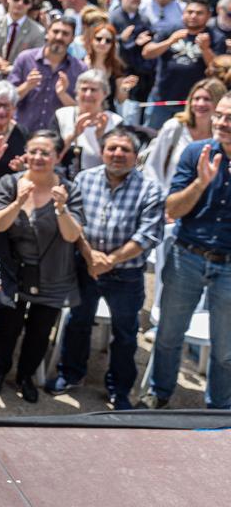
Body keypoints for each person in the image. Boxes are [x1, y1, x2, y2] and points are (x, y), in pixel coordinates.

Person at [47, 128, 163, 410]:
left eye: (125, 150)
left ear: (136, 156)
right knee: (79, 322)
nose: (118, 154)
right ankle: (72, 374)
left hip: (126, 274)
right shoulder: (85, 179)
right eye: (112, 148)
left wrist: (109, 261)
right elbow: (76, 222)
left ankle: (119, 389)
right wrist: (90, 257)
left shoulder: (150, 188)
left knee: (125, 333)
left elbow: (147, 236)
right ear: (102, 151)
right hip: (86, 268)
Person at [142, 92, 231, 409]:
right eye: (220, 115)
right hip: (187, 256)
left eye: (228, 117)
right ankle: (159, 393)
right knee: (168, 335)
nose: (221, 122)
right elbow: (173, 209)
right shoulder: (196, 153)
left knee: (225, 349)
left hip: (228, 268)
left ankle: (219, 408)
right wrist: (201, 183)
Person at [0, 130, 84, 403]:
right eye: (34, 152)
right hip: (14, 272)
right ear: (26, 154)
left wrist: (61, 208)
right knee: (7, 327)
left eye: (45, 153)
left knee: (40, 332)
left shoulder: (69, 189)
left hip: (54, 273)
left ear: (56, 157)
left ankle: (26, 377)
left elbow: (72, 235)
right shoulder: (9, 182)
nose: (38, 158)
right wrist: (18, 202)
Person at [142, 0, 226, 129]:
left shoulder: (215, 37)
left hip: (193, 102)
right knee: (151, 135)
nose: (193, 16)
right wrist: (170, 41)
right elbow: (147, 53)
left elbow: (217, 70)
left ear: (208, 16)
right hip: (162, 97)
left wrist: (205, 49)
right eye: (190, 12)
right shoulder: (171, 30)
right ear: (183, 13)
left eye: (199, 13)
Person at [9, 16, 87, 132]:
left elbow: (80, 110)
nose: (59, 37)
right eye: (55, 32)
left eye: (65, 34)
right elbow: (8, 99)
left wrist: (63, 95)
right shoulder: (25, 59)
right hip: (23, 132)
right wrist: (27, 86)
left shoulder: (80, 69)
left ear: (72, 39)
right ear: (47, 33)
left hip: (57, 137)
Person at [145, 78, 227, 187]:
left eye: (207, 99)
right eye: (196, 98)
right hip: (169, 198)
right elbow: (153, 168)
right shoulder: (174, 128)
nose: (200, 103)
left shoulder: (223, 135)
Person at [50, 70, 124, 173]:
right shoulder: (61, 115)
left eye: (93, 90)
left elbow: (117, 163)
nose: (88, 94)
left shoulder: (115, 121)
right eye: (84, 89)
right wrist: (74, 135)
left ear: (105, 93)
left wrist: (100, 137)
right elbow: (51, 154)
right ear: (77, 92)